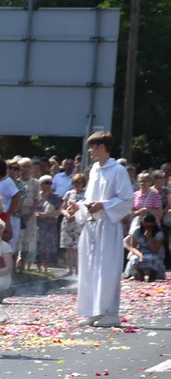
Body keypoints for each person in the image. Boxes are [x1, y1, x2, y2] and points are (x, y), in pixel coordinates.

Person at [65, 131, 134, 328]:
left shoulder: (117, 170)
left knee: (107, 269)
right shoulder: (94, 170)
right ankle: (94, 310)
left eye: (93, 147)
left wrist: (103, 205)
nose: (90, 151)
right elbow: (90, 200)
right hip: (92, 226)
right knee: (90, 268)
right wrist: (78, 208)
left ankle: (110, 312)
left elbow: (126, 200)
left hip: (108, 227)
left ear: (102, 147)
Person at [13, 158, 38, 272]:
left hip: (30, 214)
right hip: (18, 213)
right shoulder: (16, 182)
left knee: (27, 240)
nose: (25, 169)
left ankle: (23, 267)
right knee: (17, 239)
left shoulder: (35, 182)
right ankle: (13, 266)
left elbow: (36, 199)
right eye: (23, 166)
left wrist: (30, 213)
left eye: (28, 167)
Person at [34, 175, 62, 273]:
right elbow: (31, 208)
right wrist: (35, 214)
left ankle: (46, 268)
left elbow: (59, 211)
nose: (49, 185)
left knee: (48, 245)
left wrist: (46, 214)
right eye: (46, 182)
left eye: (50, 183)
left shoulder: (55, 197)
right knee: (38, 245)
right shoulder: (37, 196)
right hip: (38, 224)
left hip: (50, 225)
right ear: (40, 184)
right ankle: (38, 267)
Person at [124, 214, 165, 281]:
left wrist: (149, 239)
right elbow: (133, 247)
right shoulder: (136, 231)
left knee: (154, 258)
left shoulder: (158, 233)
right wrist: (139, 254)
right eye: (146, 226)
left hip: (154, 252)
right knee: (134, 259)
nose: (148, 228)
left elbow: (155, 250)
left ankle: (153, 274)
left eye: (151, 226)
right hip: (140, 252)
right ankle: (140, 273)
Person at [59, 173, 86, 276]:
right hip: (68, 222)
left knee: (78, 247)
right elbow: (62, 208)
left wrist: (76, 215)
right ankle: (70, 270)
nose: (76, 184)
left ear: (83, 183)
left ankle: (79, 270)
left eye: (79, 182)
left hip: (79, 222)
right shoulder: (69, 193)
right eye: (75, 182)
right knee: (68, 247)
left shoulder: (86, 194)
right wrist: (66, 214)